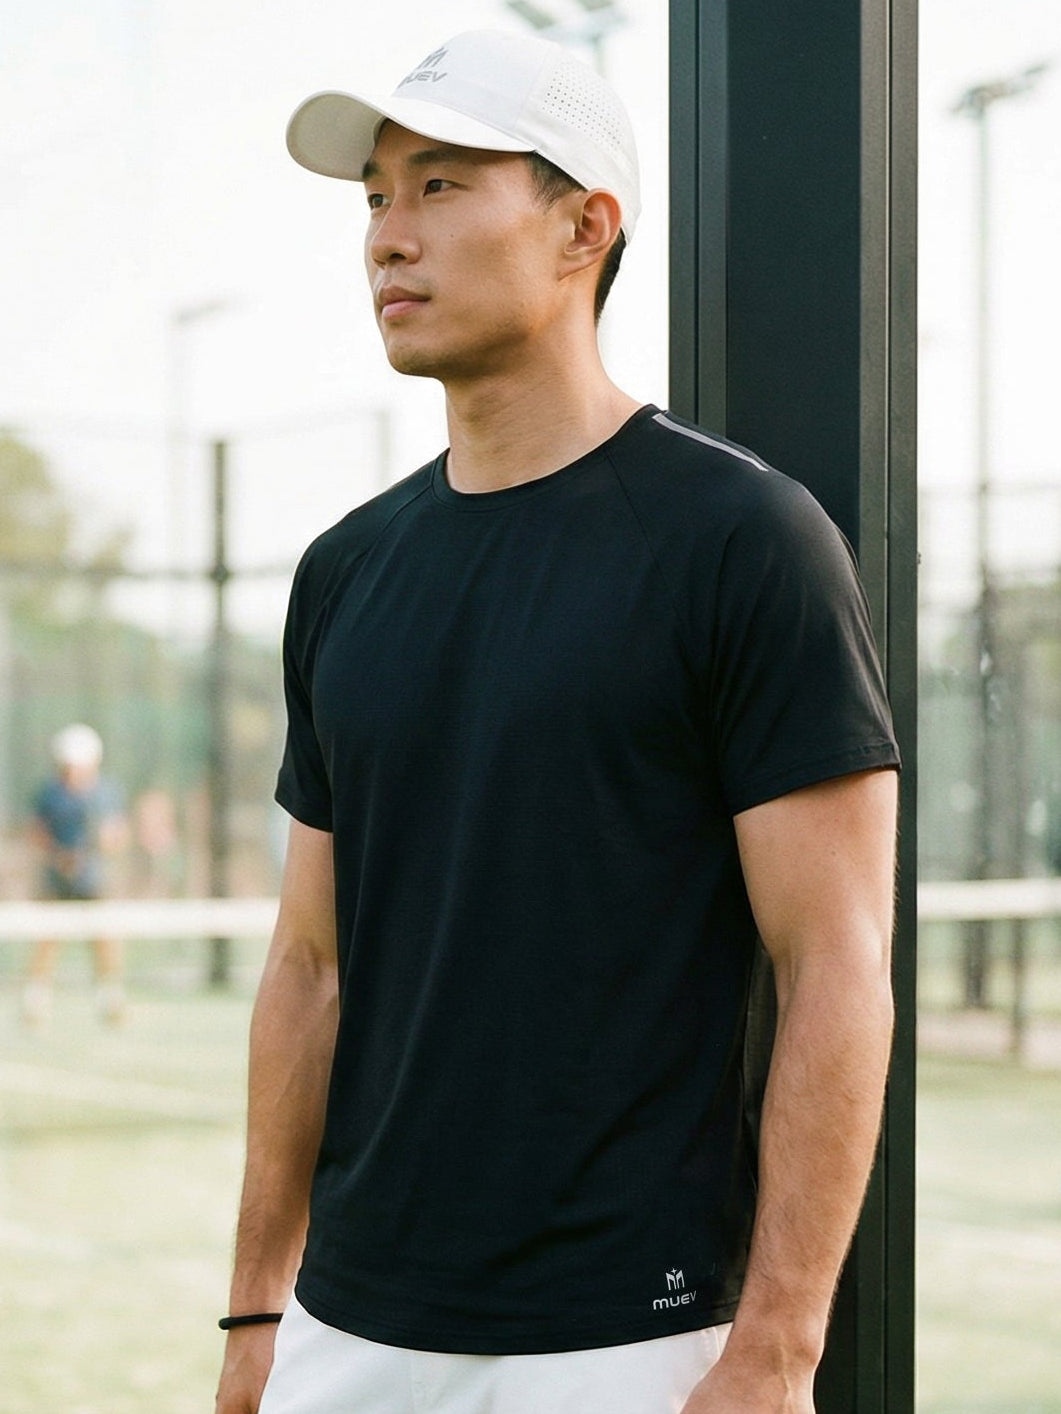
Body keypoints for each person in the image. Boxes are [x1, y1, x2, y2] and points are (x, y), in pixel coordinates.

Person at [216, 28, 900, 1414]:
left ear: (585, 225)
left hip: (629, 1345)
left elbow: (835, 959)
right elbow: (306, 964)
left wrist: (776, 1347)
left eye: (442, 188)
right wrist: (255, 1308)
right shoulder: (344, 570)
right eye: (374, 199)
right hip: (348, 1329)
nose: (387, 240)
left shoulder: (744, 540)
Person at [21, 723, 128, 1027]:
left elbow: (116, 834)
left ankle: (111, 999)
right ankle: (36, 1001)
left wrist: (98, 849)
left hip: (94, 880)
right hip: (56, 881)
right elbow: (36, 832)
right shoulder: (50, 793)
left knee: (104, 938)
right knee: (48, 939)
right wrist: (59, 857)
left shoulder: (106, 793)